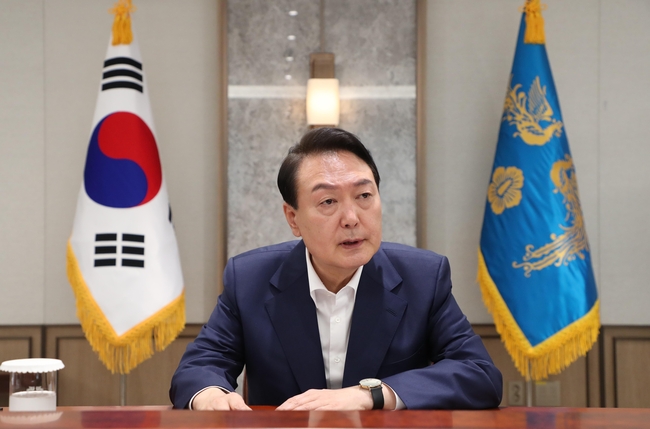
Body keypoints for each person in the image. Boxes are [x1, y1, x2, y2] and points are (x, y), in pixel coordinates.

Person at [170, 127, 502, 410]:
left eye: (364, 196)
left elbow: (480, 374)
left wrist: (372, 394)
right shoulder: (249, 279)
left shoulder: (424, 278)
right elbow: (199, 367)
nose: (352, 218)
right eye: (328, 201)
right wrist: (210, 395)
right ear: (293, 218)